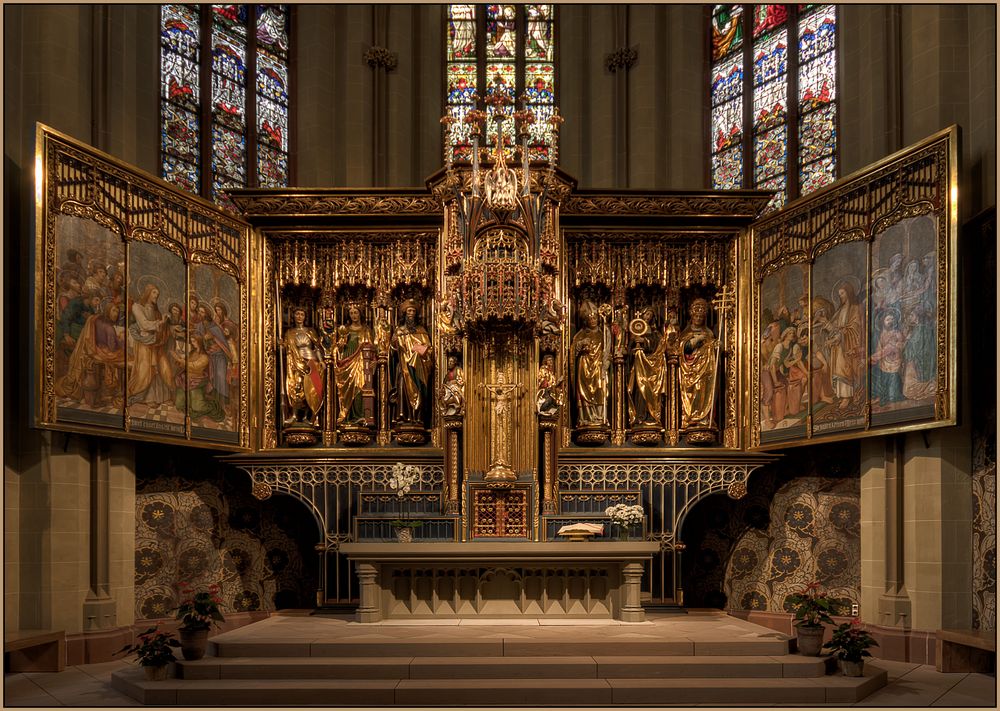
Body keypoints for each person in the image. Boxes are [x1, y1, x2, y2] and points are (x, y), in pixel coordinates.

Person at [54, 300, 125, 408]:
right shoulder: (110, 328)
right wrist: (120, 340)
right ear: (107, 310)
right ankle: (117, 391)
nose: (115, 314)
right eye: (114, 310)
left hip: (89, 349)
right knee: (124, 357)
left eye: (117, 311)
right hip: (101, 351)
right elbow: (112, 347)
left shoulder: (95, 319)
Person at [676, 298, 720, 434]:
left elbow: (712, 348)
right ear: (692, 316)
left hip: (706, 370)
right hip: (689, 371)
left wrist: (715, 346)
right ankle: (691, 417)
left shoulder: (709, 333)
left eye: (701, 317)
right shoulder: (685, 333)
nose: (699, 319)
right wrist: (696, 340)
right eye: (697, 316)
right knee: (693, 392)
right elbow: (683, 350)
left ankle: (704, 418)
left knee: (704, 391)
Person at [127, 283, 173, 406]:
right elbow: (144, 324)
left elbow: (158, 327)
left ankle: (162, 397)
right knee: (146, 369)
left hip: (156, 343)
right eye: (154, 293)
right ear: (147, 292)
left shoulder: (155, 310)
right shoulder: (137, 307)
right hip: (144, 343)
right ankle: (147, 398)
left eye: (157, 294)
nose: (156, 296)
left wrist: (164, 323)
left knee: (160, 368)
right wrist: (159, 322)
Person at [390, 301, 434, 425]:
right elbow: (392, 353)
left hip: (418, 368)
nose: (411, 313)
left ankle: (417, 417)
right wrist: (394, 343)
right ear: (404, 313)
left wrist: (420, 351)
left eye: (413, 311)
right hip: (403, 367)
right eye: (409, 311)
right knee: (402, 387)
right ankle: (404, 417)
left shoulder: (421, 330)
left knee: (419, 390)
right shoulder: (399, 331)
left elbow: (429, 350)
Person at [282, 306, 325, 426]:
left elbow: (317, 347)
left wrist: (321, 361)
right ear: (293, 316)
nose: (299, 316)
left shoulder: (310, 331)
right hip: (295, 362)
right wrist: (281, 345)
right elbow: (286, 347)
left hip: (310, 362)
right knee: (296, 387)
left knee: (309, 390)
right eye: (297, 314)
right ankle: (295, 415)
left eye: (302, 314)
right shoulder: (289, 332)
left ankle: (307, 416)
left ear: (305, 317)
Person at [824, 281, 863, 409]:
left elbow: (856, 328)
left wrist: (840, 335)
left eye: (842, 293)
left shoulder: (855, 308)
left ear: (849, 293)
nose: (841, 296)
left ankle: (847, 396)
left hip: (847, 344)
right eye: (839, 294)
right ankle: (842, 395)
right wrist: (827, 325)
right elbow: (835, 327)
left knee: (845, 369)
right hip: (838, 346)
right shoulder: (839, 310)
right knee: (837, 369)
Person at [334, 303, 375, 425]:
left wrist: (374, 360)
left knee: (359, 388)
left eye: (356, 312)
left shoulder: (366, 330)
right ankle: (347, 416)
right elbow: (338, 349)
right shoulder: (344, 330)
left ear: (360, 314)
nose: (353, 315)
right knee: (346, 390)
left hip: (361, 363)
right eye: (351, 313)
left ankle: (360, 416)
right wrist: (340, 347)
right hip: (346, 363)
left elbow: (371, 347)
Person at [570, 301, 610, 426]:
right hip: (584, 366)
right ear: (585, 321)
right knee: (584, 393)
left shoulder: (603, 333)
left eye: (594, 318)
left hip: (598, 366)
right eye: (590, 319)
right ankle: (585, 418)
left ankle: (599, 417)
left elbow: (608, 349)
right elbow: (572, 352)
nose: (592, 320)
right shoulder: (580, 335)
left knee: (600, 389)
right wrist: (580, 345)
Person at [170, 335, 226, 423]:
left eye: (194, 341)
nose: (192, 343)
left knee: (198, 407)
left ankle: (212, 405)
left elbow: (194, 366)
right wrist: (179, 362)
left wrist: (179, 359)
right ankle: (191, 403)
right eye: (192, 341)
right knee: (179, 404)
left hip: (196, 381)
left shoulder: (205, 357)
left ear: (200, 342)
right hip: (185, 380)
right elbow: (185, 364)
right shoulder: (192, 353)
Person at [628, 306, 667, 426]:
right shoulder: (635, 330)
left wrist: (645, 341)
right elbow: (629, 348)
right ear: (642, 315)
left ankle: (652, 416)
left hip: (653, 366)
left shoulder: (655, 333)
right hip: (640, 364)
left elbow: (660, 345)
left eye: (650, 315)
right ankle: (640, 416)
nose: (648, 317)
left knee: (652, 392)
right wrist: (635, 341)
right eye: (646, 314)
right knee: (640, 390)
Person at [870, 310, 905, 406]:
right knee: (877, 377)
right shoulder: (882, 334)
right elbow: (879, 348)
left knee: (893, 396)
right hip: (883, 362)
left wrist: (873, 358)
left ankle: (890, 395)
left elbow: (892, 348)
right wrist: (875, 359)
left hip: (894, 362)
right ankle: (880, 396)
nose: (890, 321)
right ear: (883, 322)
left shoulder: (897, 333)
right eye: (888, 319)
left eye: (892, 319)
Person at [535, 354, 562, 418]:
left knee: (555, 401)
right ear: (545, 361)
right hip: (545, 391)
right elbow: (542, 380)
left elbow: (553, 384)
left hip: (551, 391)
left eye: (551, 360)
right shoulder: (543, 369)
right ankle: (542, 410)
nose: (551, 361)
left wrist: (558, 382)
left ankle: (550, 411)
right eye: (549, 360)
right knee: (549, 400)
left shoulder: (551, 372)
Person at [439, 354, 465, 418]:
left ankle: (458, 406)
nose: (449, 363)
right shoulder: (448, 373)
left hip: (456, 388)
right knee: (442, 397)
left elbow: (461, 381)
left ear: (455, 363)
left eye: (451, 362)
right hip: (448, 389)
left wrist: (454, 382)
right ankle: (445, 409)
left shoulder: (458, 370)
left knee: (455, 391)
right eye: (448, 362)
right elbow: (445, 383)